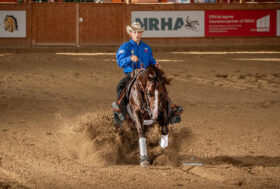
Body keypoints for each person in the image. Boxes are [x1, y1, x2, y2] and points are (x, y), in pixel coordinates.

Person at [112, 22, 182, 126]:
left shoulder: (146, 48)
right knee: (121, 85)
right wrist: (129, 58)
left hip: (146, 76)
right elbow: (120, 62)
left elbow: (151, 61)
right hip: (132, 74)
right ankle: (119, 107)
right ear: (130, 33)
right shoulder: (125, 47)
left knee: (160, 85)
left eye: (139, 32)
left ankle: (171, 109)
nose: (137, 34)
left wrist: (156, 64)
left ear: (142, 33)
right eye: (135, 32)